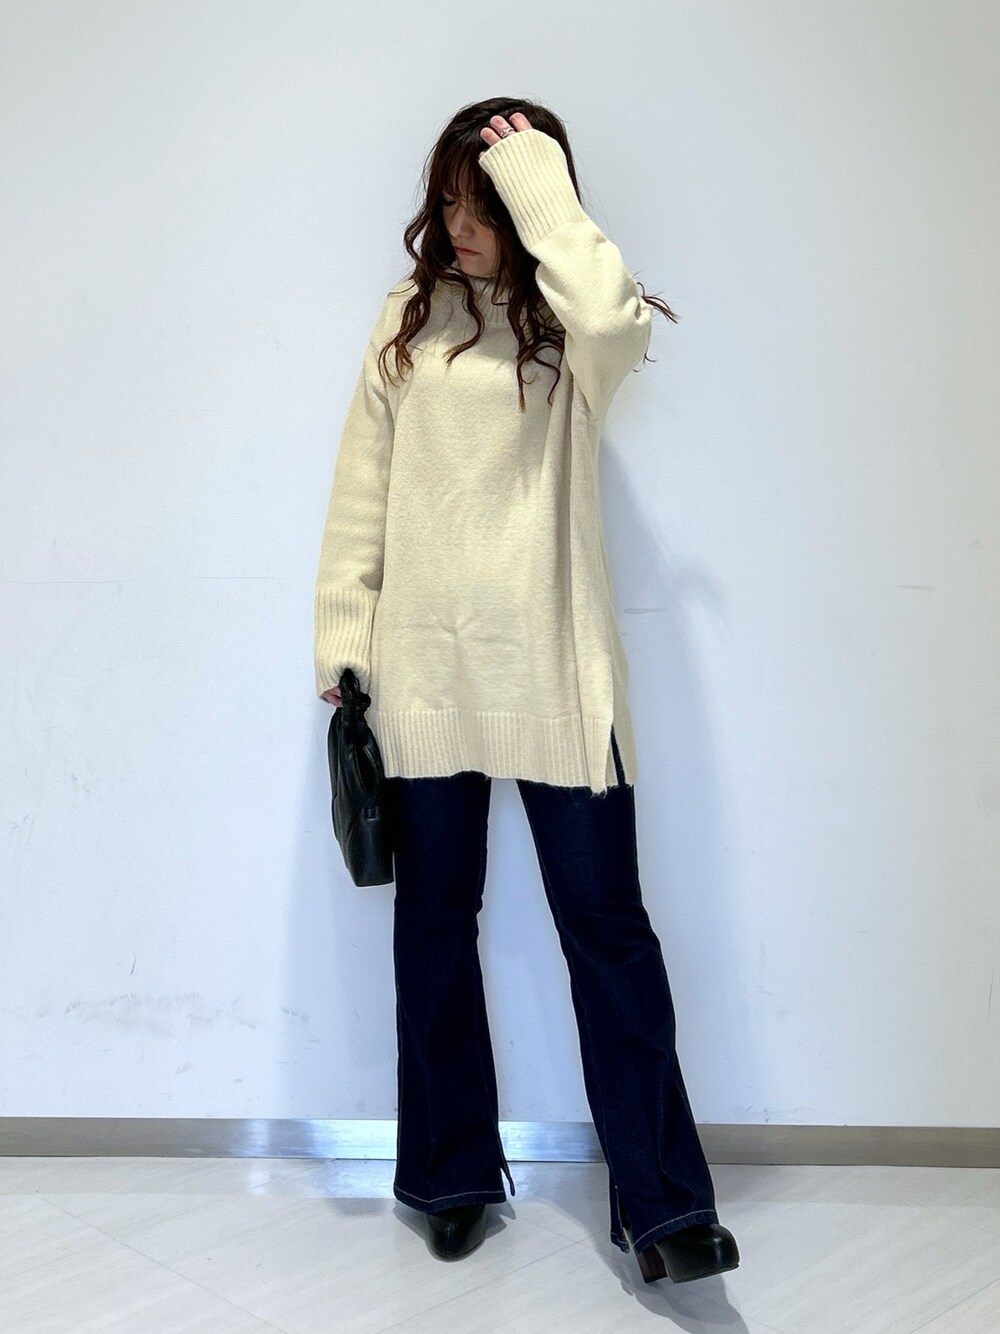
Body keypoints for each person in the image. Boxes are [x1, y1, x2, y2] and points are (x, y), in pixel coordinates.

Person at [313, 98, 739, 1285]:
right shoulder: (405, 322)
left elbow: (609, 309)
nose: (457, 226)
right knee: (434, 926)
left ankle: (664, 1206)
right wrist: (345, 642)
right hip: (425, 668)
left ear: (528, 206)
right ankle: (447, 1174)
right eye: (446, 202)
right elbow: (361, 491)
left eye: (482, 205)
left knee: (608, 931)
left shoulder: (576, 334)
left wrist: (535, 179)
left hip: (555, 668)